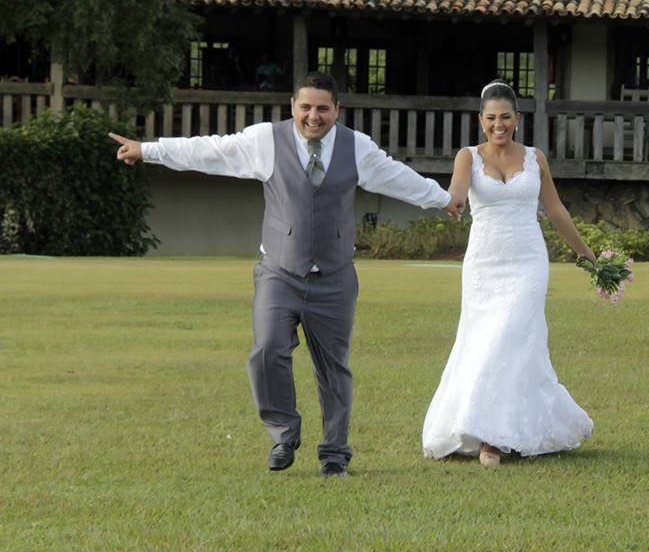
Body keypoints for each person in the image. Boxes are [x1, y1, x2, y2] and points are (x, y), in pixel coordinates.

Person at [110, 72, 463, 476]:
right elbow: (210, 151)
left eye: (323, 109)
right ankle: (283, 433)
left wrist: (441, 199)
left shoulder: (356, 147)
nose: (314, 116)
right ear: (293, 106)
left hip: (334, 276)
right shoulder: (266, 140)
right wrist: (148, 150)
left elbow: (395, 175)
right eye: (306, 107)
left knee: (334, 368)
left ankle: (334, 454)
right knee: (266, 351)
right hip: (279, 271)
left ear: (337, 111)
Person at [421, 80, 596, 467]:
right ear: (480, 120)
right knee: (484, 342)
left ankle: (494, 439)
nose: (498, 125)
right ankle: (486, 428)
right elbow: (457, 192)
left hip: (528, 263)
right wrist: (449, 201)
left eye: (505, 117)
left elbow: (556, 211)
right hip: (484, 264)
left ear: (517, 119)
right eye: (490, 118)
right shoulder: (468, 157)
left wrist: (588, 257)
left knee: (512, 340)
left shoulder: (536, 158)